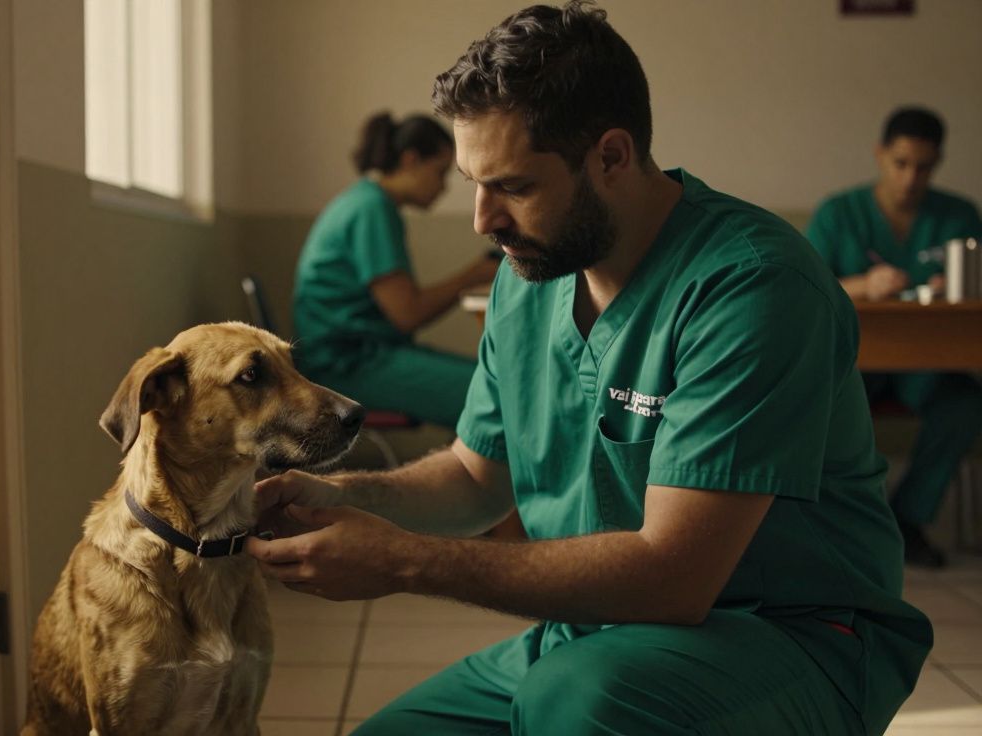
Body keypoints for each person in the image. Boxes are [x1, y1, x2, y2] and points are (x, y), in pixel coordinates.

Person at [247, 3, 931, 734]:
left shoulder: (751, 287)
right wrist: (334, 496)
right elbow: (478, 479)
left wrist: (405, 562)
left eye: (512, 186)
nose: (483, 220)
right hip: (596, 633)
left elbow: (675, 578)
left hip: (787, 637)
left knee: (575, 705)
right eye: (473, 183)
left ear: (611, 156)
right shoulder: (528, 278)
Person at [807, 107, 982, 568]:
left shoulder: (959, 217)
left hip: (926, 362)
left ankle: (907, 519)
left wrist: (958, 290)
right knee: (818, 403)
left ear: (938, 162)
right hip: (852, 359)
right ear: (881, 155)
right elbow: (804, 287)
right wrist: (862, 285)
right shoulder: (839, 213)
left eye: (923, 167)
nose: (910, 178)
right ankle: (840, 525)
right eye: (901, 164)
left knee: (964, 404)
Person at [292, 111, 502, 428]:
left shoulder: (363, 200)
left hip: (358, 355)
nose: (442, 187)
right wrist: (474, 275)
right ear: (410, 160)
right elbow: (407, 314)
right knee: (495, 392)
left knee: (488, 377)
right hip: (347, 366)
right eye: (440, 172)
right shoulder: (371, 208)